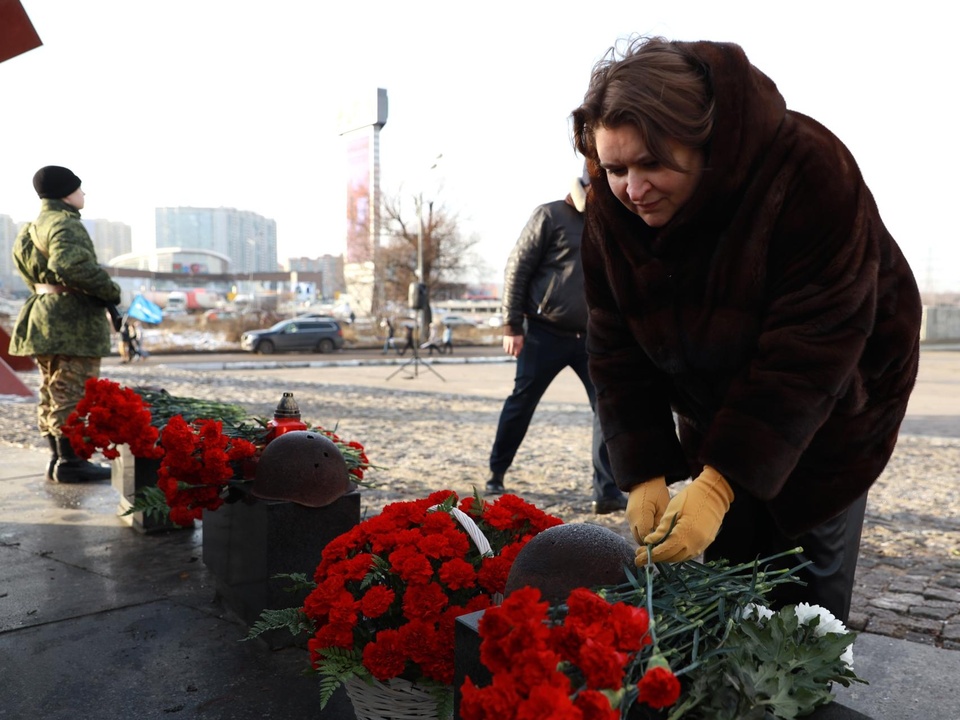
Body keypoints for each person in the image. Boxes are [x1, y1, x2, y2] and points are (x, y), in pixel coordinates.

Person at [571, 37, 922, 621]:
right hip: (720, 404)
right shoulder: (614, 207)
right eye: (616, 169)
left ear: (708, 143)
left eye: (653, 164)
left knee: (798, 616)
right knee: (728, 593)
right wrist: (644, 470)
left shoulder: (809, 168)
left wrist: (719, 482)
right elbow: (615, 343)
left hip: (836, 403)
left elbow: (810, 352)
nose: (633, 189)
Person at [485, 174, 627, 515]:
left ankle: (606, 491)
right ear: (588, 183)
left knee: (606, 409)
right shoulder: (550, 215)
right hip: (543, 332)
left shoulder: (616, 223)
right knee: (522, 403)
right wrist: (511, 324)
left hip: (593, 336)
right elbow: (517, 268)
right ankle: (496, 473)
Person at [9, 166, 122, 483]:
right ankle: (71, 463)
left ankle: (58, 458)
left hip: (43, 316)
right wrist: (111, 291)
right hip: (71, 323)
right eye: (80, 189)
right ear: (66, 192)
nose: (83, 194)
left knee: (51, 391)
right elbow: (71, 265)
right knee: (71, 392)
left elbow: (28, 269)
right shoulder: (65, 223)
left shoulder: (31, 227)